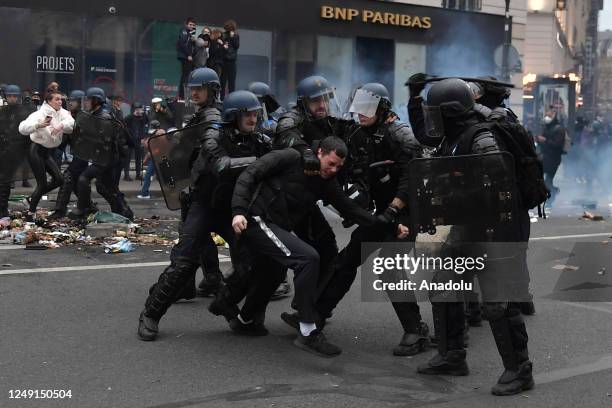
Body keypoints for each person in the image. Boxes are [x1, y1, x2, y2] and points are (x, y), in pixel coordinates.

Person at [283, 83, 430, 357]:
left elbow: (414, 175)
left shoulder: (400, 135)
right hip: (380, 213)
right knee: (345, 261)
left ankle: (416, 330)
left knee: (390, 268)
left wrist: (395, 208)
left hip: (408, 212)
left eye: (368, 107)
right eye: (358, 106)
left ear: (382, 108)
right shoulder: (360, 134)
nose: (361, 113)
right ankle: (315, 315)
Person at [231, 136, 407, 356]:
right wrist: (238, 212)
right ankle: (308, 332)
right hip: (253, 220)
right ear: (320, 153)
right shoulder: (290, 157)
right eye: (330, 163)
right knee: (306, 258)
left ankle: (243, 319)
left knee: (272, 272)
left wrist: (389, 225)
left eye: (338, 167)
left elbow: (351, 210)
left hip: (276, 227)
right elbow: (250, 173)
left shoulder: (326, 182)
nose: (333, 170)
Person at [413, 78, 534, 396]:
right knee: (443, 286)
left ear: (450, 112)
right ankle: (452, 355)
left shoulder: (481, 138)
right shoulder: (452, 137)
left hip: (493, 230)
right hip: (464, 227)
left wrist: (457, 195)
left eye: (435, 112)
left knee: (498, 304)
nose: (431, 118)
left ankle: (520, 370)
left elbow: (498, 188)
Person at [138, 67, 227, 341]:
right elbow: (186, 151)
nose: (195, 92)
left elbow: (211, 141)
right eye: (193, 89)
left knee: (249, 253)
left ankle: (236, 305)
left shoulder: (212, 116)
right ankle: (151, 313)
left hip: (217, 197)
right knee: (186, 257)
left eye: (201, 88)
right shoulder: (200, 117)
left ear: (213, 89)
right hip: (202, 196)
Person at [70, 87, 132, 220]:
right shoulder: (96, 114)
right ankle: (123, 212)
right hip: (104, 157)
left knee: (83, 179)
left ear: (96, 100)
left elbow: (106, 140)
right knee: (106, 187)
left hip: (107, 158)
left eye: (89, 99)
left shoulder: (104, 116)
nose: (86, 102)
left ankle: (83, 209)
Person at [18, 90, 74, 220]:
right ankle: (30, 215)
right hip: (36, 150)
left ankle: (31, 198)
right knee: (42, 184)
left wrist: (61, 125)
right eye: (57, 99)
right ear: (49, 101)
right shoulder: (39, 114)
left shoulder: (63, 113)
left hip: (47, 152)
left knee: (59, 179)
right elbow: (22, 128)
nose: (60, 101)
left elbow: (71, 124)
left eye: (61, 99)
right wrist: (38, 125)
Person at [49, 90, 89, 220]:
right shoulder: (70, 115)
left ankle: (60, 210)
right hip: (77, 153)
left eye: (74, 101)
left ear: (80, 102)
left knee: (67, 178)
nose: (70, 103)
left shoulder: (84, 116)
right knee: (77, 184)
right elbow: (66, 137)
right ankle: (89, 208)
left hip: (84, 155)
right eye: (70, 100)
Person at [0, 85, 33, 217]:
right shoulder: (2, 112)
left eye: (14, 96)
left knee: (5, 181)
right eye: (10, 96)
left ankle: (2, 208)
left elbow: (27, 133)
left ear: (18, 97)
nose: (12, 98)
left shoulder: (24, 112)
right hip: (3, 148)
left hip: (16, 150)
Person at [537, 108, 566, 206]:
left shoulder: (559, 129)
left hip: (553, 159)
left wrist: (545, 140)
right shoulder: (547, 128)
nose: (547, 117)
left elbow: (557, 145)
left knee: (548, 180)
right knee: (544, 180)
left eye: (549, 116)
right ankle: (552, 192)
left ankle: (550, 197)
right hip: (545, 157)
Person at [124, 102, 149, 181]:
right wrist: (134, 114)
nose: (138, 110)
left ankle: (138, 174)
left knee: (139, 158)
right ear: (134, 109)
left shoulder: (142, 117)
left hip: (139, 139)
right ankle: (126, 175)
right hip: (130, 140)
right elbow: (124, 125)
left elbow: (147, 121)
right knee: (127, 158)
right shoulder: (129, 117)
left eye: (140, 109)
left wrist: (143, 114)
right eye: (137, 109)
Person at [177, 17, 197, 100]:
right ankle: (184, 96)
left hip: (187, 57)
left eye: (193, 25)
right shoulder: (184, 31)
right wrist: (188, 54)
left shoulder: (190, 33)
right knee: (186, 77)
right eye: (190, 24)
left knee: (185, 76)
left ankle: (183, 96)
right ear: (186, 24)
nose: (191, 26)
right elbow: (182, 44)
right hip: (185, 57)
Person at [220, 20, 240, 96]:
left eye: (231, 28)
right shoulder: (223, 35)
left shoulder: (236, 35)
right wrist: (223, 46)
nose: (230, 30)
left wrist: (232, 37)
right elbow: (221, 46)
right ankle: (221, 98)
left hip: (232, 61)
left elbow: (237, 46)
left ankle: (232, 98)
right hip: (224, 60)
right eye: (229, 28)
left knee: (231, 82)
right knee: (223, 81)